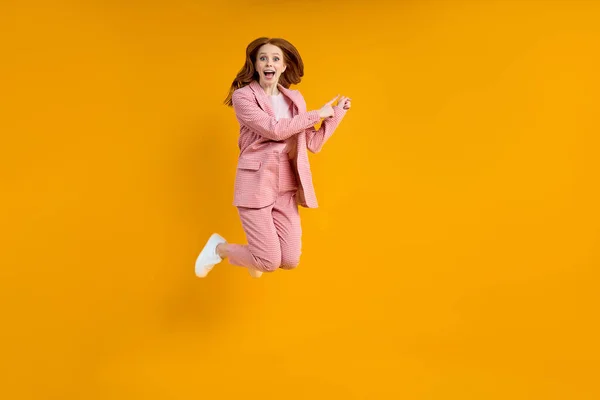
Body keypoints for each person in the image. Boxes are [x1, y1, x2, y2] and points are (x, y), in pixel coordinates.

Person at [195, 37, 351, 278]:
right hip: (256, 184)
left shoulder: (295, 99)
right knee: (268, 261)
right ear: (256, 65)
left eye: (275, 59)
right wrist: (316, 114)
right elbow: (274, 129)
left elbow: (313, 143)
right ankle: (220, 248)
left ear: (284, 66)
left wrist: (335, 116)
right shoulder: (243, 97)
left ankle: (254, 258)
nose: (269, 63)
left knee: (289, 260)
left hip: (286, 185)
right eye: (263, 58)